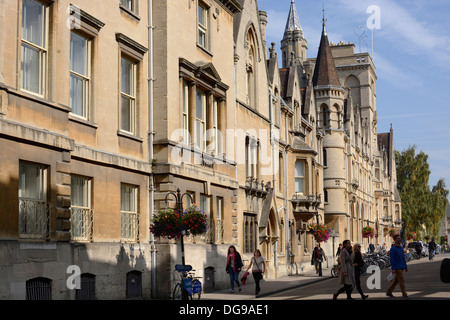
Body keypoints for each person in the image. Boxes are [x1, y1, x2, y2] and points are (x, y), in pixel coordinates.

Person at [386, 234, 408, 298]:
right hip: (397, 267)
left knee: (396, 281)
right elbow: (392, 259)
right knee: (401, 280)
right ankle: (404, 294)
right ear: (395, 240)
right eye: (398, 238)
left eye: (400, 238)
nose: (400, 239)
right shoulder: (393, 248)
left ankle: (389, 292)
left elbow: (403, 258)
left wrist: (405, 267)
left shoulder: (401, 247)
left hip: (402, 267)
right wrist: (393, 269)